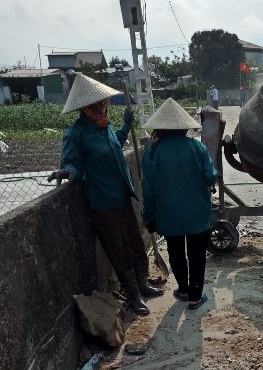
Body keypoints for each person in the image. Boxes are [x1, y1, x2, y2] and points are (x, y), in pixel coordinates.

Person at [47, 73, 162, 316]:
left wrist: (125, 125)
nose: (103, 107)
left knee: (134, 241)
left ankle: (143, 283)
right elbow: (73, 163)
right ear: (87, 107)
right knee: (117, 249)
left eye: (104, 103)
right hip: (101, 201)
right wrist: (67, 171)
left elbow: (117, 145)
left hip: (121, 195)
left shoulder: (105, 125)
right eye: (99, 105)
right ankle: (134, 295)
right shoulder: (77, 133)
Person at [141, 98, 218, 310]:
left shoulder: (152, 153)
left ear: (158, 128)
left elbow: (148, 190)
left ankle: (183, 289)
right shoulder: (197, 148)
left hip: (168, 215)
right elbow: (210, 177)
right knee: (196, 255)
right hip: (197, 214)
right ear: (184, 127)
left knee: (175, 253)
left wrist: (149, 215)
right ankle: (195, 296)